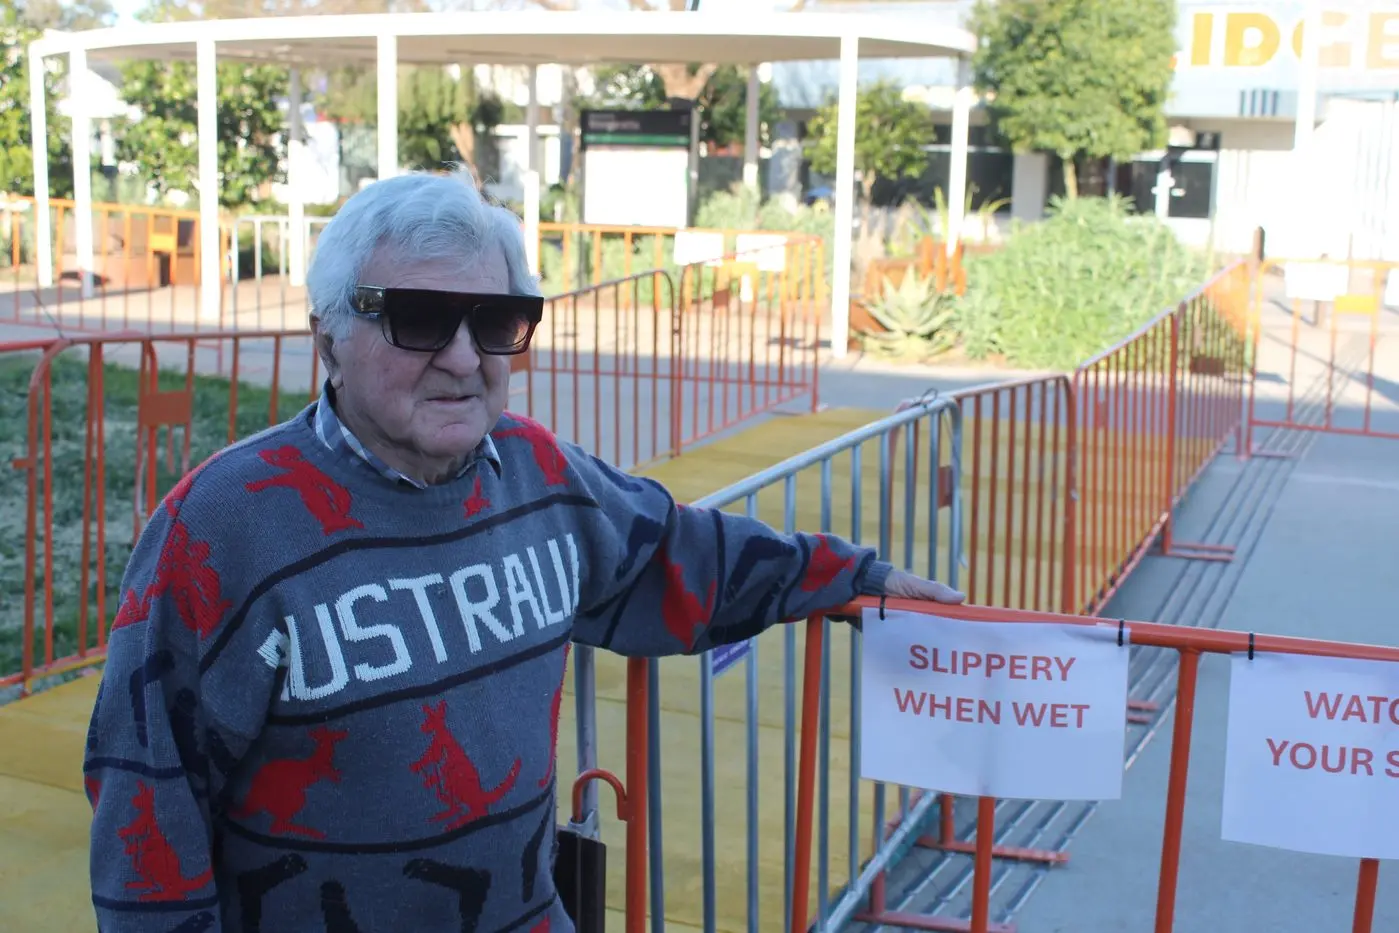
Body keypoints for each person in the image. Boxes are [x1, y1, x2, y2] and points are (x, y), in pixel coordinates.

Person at [83, 169, 964, 933]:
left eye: (497, 321)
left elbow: (678, 554)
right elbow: (148, 805)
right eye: (421, 319)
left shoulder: (537, 473)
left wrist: (855, 579)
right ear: (329, 339)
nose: (465, 358)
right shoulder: (223, 525)